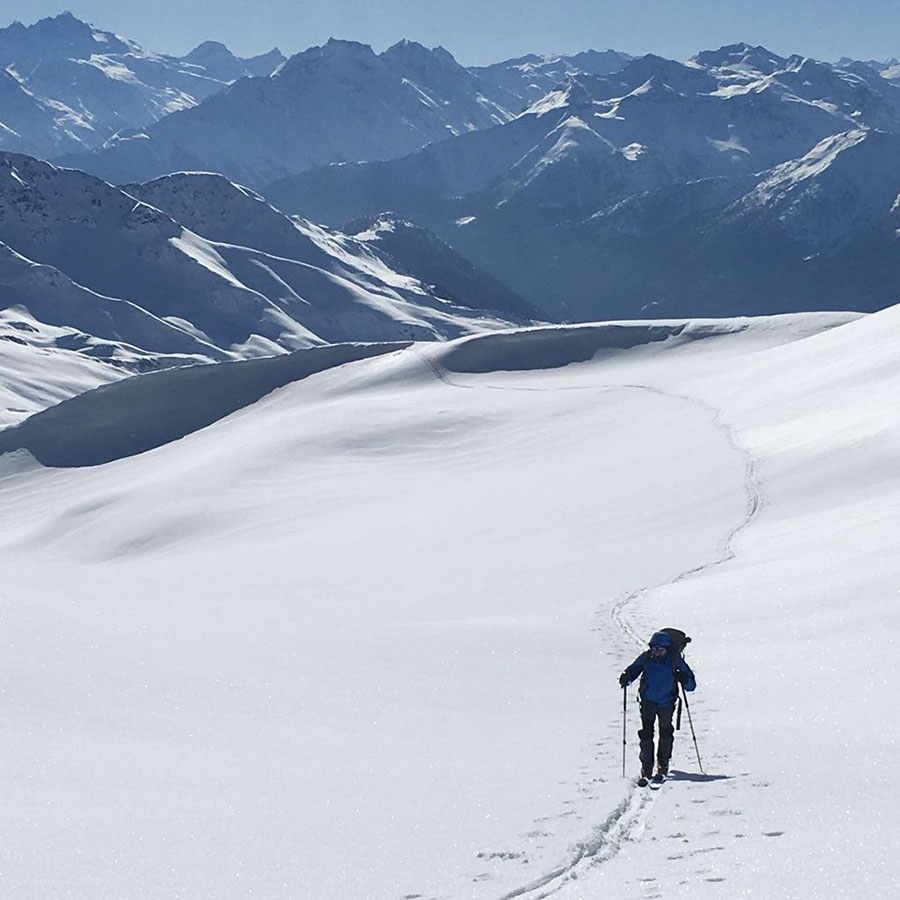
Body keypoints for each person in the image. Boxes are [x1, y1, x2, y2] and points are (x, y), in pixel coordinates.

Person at [618, 630, 696, 783]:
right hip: (648, 701)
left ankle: (663, 764)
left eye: (660, 650)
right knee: (646, 734)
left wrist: (684, 678)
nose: (657, 652)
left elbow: (691, 685)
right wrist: (626, 677)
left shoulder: (674, 660)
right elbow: (634, 668)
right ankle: (647, 767)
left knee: (665, 732)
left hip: (666, 702)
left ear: (667, 649)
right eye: (654, 649)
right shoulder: (646, 658)